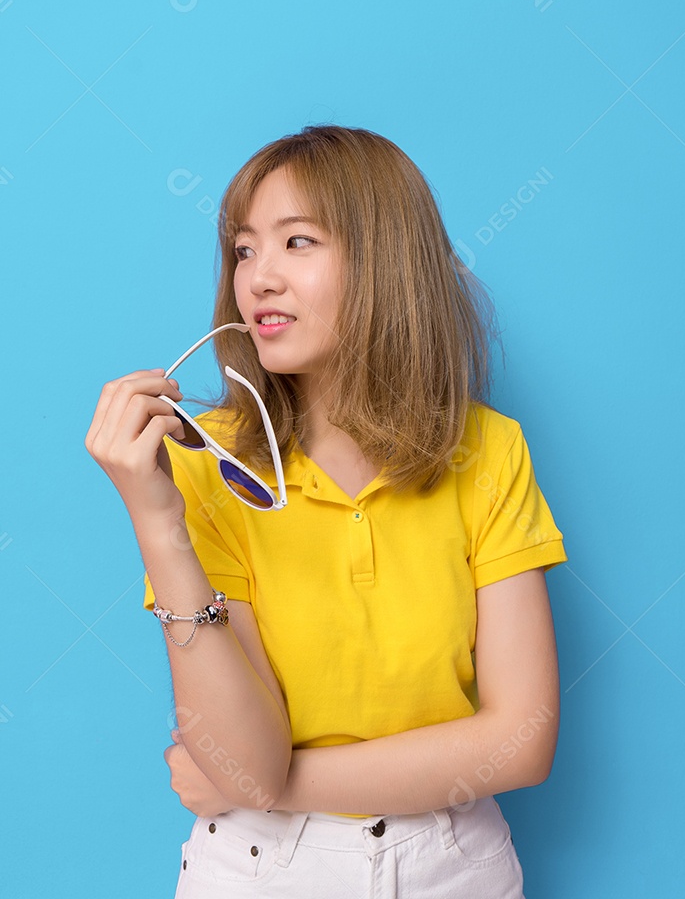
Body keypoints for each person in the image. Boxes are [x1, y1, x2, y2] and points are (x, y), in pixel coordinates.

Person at [85, 124, 568, 898]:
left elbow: (520, 743)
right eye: (244, 250)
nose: (259, 279)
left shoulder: (487, 451)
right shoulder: (207, 465)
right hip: (257, 871)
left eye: (296, 242)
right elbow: (245, 753)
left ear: (386, 262)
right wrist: (156, 522)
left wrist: (268, 785)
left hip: (457, 865)